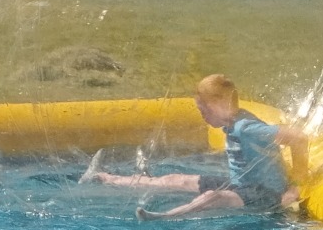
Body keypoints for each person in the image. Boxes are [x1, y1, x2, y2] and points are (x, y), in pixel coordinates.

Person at [80, 74, 307, 219]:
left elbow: (299, 138)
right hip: (242, 185)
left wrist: (294, 188)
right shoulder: (234, 121)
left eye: (204, 110)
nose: (202, 116)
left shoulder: (246, 128)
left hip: (266, 195)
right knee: (175, 179)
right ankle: (107, 178)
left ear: (221, 104)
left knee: (213, 197)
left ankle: (164, 217)